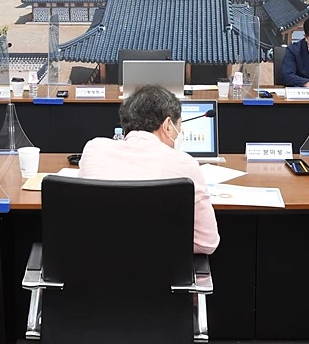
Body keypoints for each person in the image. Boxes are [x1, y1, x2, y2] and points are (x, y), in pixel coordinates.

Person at [78, 84, 219, 255]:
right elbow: (207, 243)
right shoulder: (185, 164)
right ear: (168, 126)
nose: (179, 134)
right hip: (163, 269)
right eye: (179, 128)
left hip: (96, 265)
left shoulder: (94, 149)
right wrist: (153, 245)